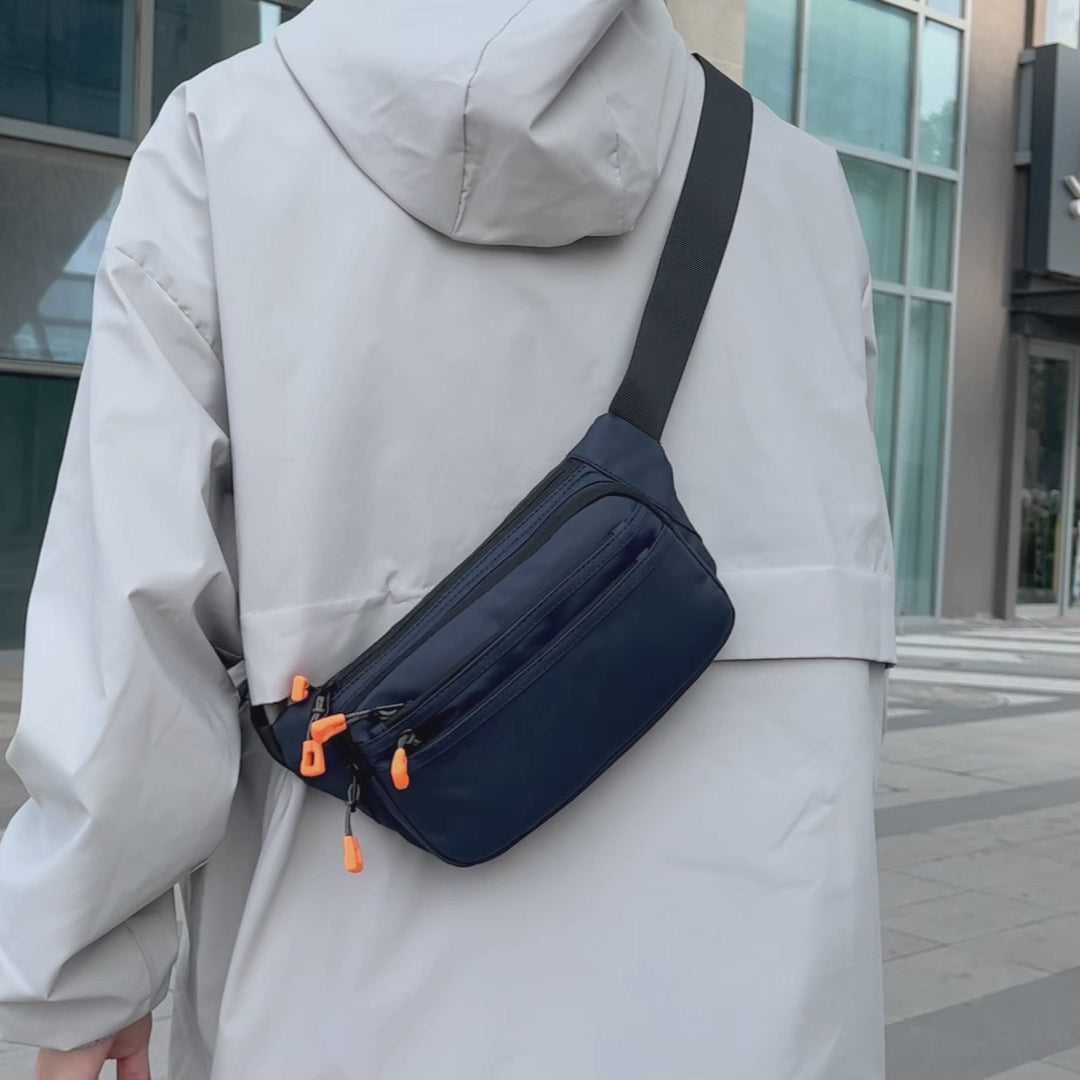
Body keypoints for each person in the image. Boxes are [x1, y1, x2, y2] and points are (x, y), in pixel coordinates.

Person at [0, 0, 895, 1076]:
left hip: (331, 1004)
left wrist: (85, 982)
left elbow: (134, 630)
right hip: (761, 1008)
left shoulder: (224, 144)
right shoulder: (799, 192)